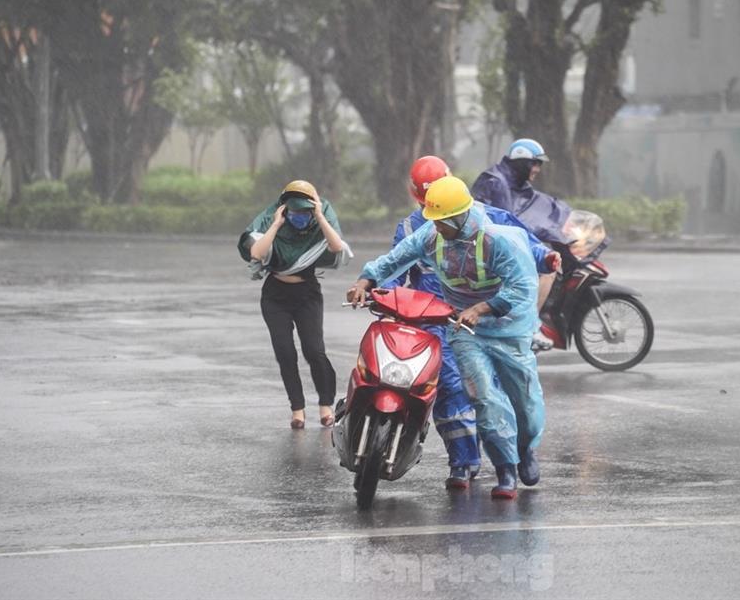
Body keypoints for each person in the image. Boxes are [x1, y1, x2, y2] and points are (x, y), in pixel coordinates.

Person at [348, 176, 548, 500]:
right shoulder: (431, 235)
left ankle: (525, 449)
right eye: (435, 221)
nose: (437, 227)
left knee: (525, 403)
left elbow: (522, 287)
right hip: (464, 328)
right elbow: (396, 258)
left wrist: (482, 308)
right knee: (484, 398)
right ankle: (506, 470)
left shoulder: (497, 239)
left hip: (508, 327)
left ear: (460, 217)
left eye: (443, 222)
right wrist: (366, 281)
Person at [238, 180, 352, 430]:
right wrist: (276, 224)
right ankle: (297, 409)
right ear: (285, 208)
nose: (299, 215)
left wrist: (319, 217)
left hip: (307, 293)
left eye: (304, 211)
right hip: (275, 294)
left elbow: (336, 247)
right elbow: (256, 252)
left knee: (314, 350)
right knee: (285, 353)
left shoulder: (319, 220)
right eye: (294, 211)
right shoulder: (273, 220)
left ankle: (326, 405)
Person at [471, 138, 573, 350]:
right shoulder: (497, 182)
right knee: (547, 269)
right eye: (534, 164)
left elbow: (521, 215)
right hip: (486, 251)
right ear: (522, 162)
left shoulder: (511, 182)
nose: (537, 169)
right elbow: (504, 224)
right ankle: (529, 325)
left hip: (491, 245)